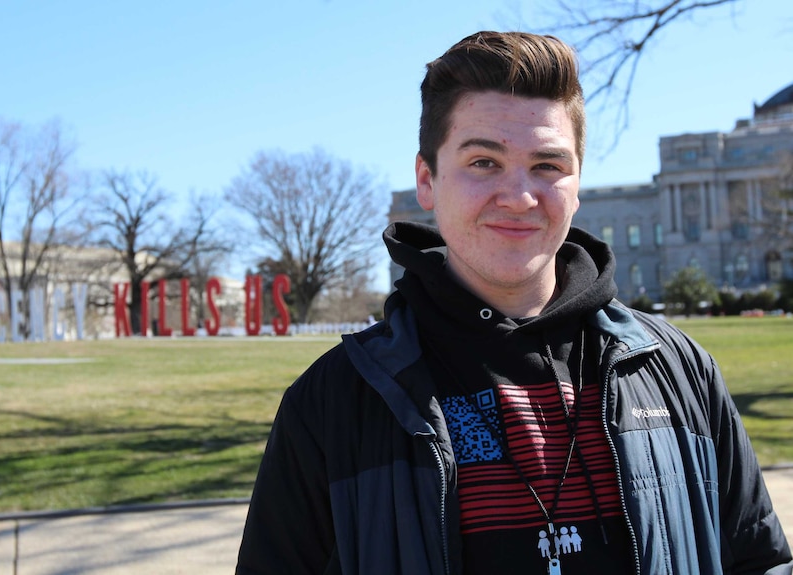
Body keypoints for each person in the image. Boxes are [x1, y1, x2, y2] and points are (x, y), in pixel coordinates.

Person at [236, 31, 792, 574]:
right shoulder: (335, 402)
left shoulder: (679, 372)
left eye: (547, 165)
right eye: (484, 162)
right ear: (426, 181)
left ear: (577, 184)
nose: (520, 197)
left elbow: (758, 560)